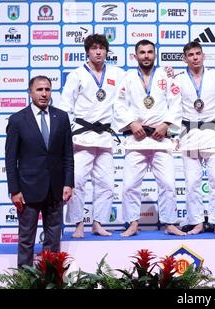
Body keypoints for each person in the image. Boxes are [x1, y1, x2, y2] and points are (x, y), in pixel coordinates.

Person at [114, 39, 184, 236]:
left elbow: (176, 102)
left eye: (150, 52)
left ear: (155, 54)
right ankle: (133, 223)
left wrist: (166, 124)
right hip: (136, 139)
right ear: (135, 56)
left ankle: (169, 223)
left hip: (160, 138)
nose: (146, 56)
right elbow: (119, 104)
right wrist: (132, 123)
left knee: (169, 185)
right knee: (129, 186)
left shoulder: (165, 76)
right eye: (142, 52)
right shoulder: (127, 77)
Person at [59, 34, 125, 238]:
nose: (98, 52)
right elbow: (65, 106)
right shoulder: (76, 75)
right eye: (94, 48)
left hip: (105, 137)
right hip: (81, 137)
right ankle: (78, 224)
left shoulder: (117, 74)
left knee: (106, 184)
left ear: (107, 51)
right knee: (77, 182)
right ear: (87, 51)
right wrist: (67, 134)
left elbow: (134, 90)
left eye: (102, 48)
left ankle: (98, 223)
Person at [5, 76, 74, 268]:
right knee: (26, 240)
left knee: (53, 242)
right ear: (30, 92)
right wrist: (14, 190)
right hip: (27, 190)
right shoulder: (18, 119)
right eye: (39, 90)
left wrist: (68, 183)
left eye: (47, 89)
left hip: (56, 189)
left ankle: (51, 280)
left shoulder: (61, 117)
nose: (44, 94)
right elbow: (11, 160)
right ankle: (25, 282)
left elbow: (68, 154)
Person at [174, 42, 215, 235]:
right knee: (192, 183)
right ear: (185, 58)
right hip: (188, 134)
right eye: (190, 54)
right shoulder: (178, 80)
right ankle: (196, 222)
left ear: (203, 56)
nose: (195, 57)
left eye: (198, 54)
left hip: (211, 132)